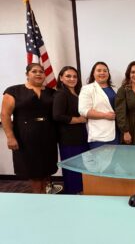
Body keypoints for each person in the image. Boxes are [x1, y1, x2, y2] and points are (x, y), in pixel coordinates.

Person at [1, 63, 58, 193]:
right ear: (27, 74)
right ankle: (38, 199)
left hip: (48, 136)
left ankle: (45, 194)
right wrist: (10, 137)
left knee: (46, 170)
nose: (38, 74)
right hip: (25, 138)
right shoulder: (13, 91)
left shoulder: (51, 92)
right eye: (34, 71)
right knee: (34, 172)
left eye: (41, 71)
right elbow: (5, 115)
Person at [53, 66, 89, 194]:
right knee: (72, 170)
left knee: (81, 169)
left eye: (74, 76)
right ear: (61, 78)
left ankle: (80, 192)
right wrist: (79, 120)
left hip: (81, 137)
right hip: (69, 139)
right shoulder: (61, 94)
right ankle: (72, 196)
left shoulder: (77, 93)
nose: (72, 79)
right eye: (68, 76)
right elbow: (57, 115)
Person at [78, 61, 119, 149]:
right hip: (100, 136)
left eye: (105, 71)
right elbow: (83, 111)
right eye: (99, 70)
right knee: (101, 163)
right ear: (93, 73)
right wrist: (105, 115)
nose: (102, 73)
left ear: (108, 73)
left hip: (117, 133)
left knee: (116, 161)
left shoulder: (115, 89)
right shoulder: (87, 89)